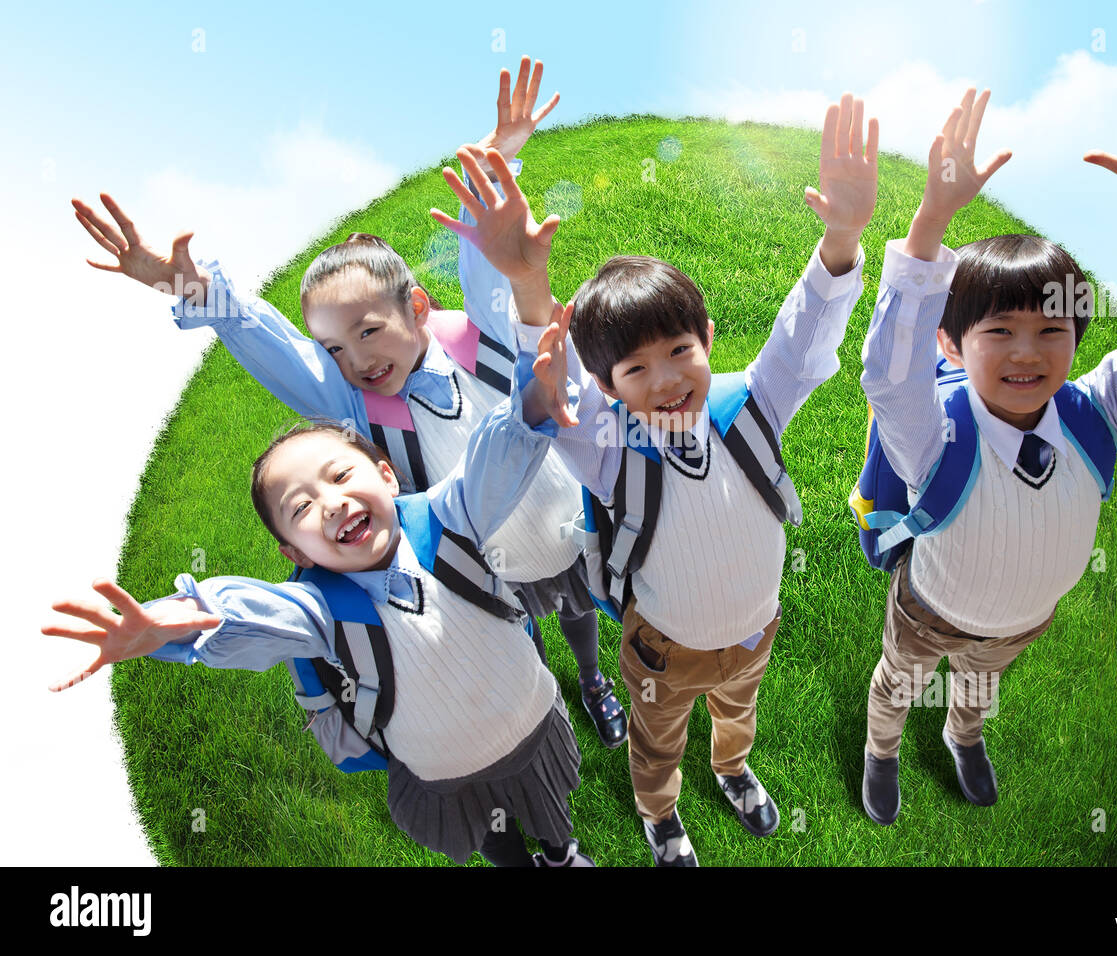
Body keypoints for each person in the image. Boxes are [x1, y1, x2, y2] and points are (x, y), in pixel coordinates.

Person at [69, 57, 628, 749]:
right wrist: (191, 288)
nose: (356, 360)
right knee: (512, 625)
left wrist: (498, 154)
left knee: (578, 602)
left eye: (368, 332)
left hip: (557, 515)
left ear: (417, 309)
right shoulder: (353, 405)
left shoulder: (476, 336)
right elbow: (258, 332)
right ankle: (541, 700)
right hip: (476, 560)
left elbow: (488, 257)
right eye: (333, 349)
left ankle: (593, 675)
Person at [431, 93, 877, 864]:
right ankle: (659, 811)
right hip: (661, 651)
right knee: (656, 737)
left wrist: (841, 237)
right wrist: (530, 288)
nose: (666, 380)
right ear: (608, 385)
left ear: (706, 339)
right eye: (635, 369)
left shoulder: (750, 406)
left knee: (739, 714)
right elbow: (557, 388)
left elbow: (805, 337)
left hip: (753, 629)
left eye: (678, 351)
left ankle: (733, 768)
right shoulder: (607, 447)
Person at [44, 311, 597, 867]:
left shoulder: (450, 517)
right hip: (444, 776)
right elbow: (251, 611)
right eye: (301, 507)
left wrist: (529, 402)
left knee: (550, 810)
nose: (330, 503)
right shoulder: (316, 607)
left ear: (387, 476)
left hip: (532, 726)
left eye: (339, 477)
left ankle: (559, 853)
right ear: (297, 553)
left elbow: (492, 463)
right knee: (492, 837)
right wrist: (179, 620)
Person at [856, 53, 1117, 825]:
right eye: (1001, 332)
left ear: (1077, 337)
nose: (1028, 352)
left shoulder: (1096, 413)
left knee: (980, 686)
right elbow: (891, 377)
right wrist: (931, 221)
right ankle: (882, 748)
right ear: (952, 347)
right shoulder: (938, 430)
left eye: (1051, 330)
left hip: (1021, 621)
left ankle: (964, 738)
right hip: (929, 608)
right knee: (899, 678)